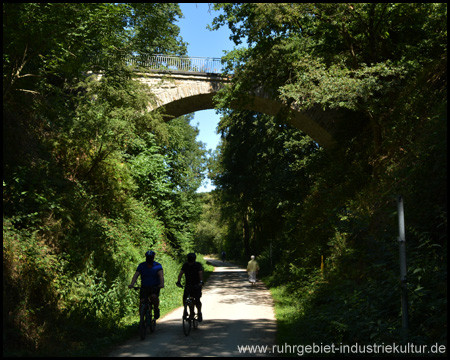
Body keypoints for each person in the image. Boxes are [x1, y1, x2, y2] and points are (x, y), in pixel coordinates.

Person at [128, 250, 164, 319]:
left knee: (153, 297)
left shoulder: (157, 266)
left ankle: (156, 309)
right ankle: (142, 320)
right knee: (142, 302)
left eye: (151, 257)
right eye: (148, 257)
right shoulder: (141, 266)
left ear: (153, 257)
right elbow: (136, 275)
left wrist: (161, 284)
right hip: (144, 287)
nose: (149, 258)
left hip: (154, 287)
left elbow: (161, 276)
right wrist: (132, 284)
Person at [176, 253, 204, 322]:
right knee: (188, 299)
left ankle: (199, 313)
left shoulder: (190, 265)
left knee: (194, 299)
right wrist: (200, 282)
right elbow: (181, 274)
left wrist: (178, 282)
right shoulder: (195, 265)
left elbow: (180, 274)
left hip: (195, 285)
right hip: (192, 285)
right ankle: (190, 312)